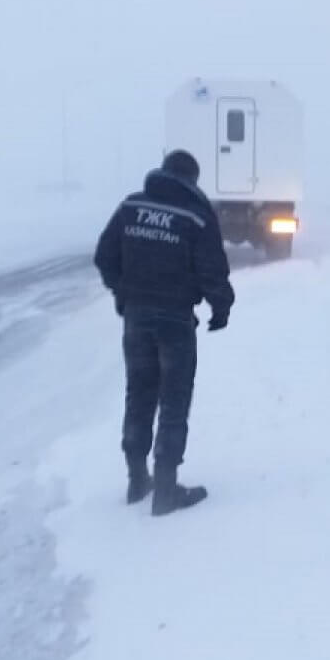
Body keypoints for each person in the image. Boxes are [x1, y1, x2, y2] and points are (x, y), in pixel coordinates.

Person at [94, 149, 235, 516]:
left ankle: (137, 479)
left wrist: (123, 292)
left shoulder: (130, 207)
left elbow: (104, 257)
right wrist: (221, 308)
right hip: (175, 322)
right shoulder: (196, 217)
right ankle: (166, 490)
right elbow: (212, 270)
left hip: (136, 320)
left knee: (139, 395)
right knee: (173, 401)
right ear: (191, 179)